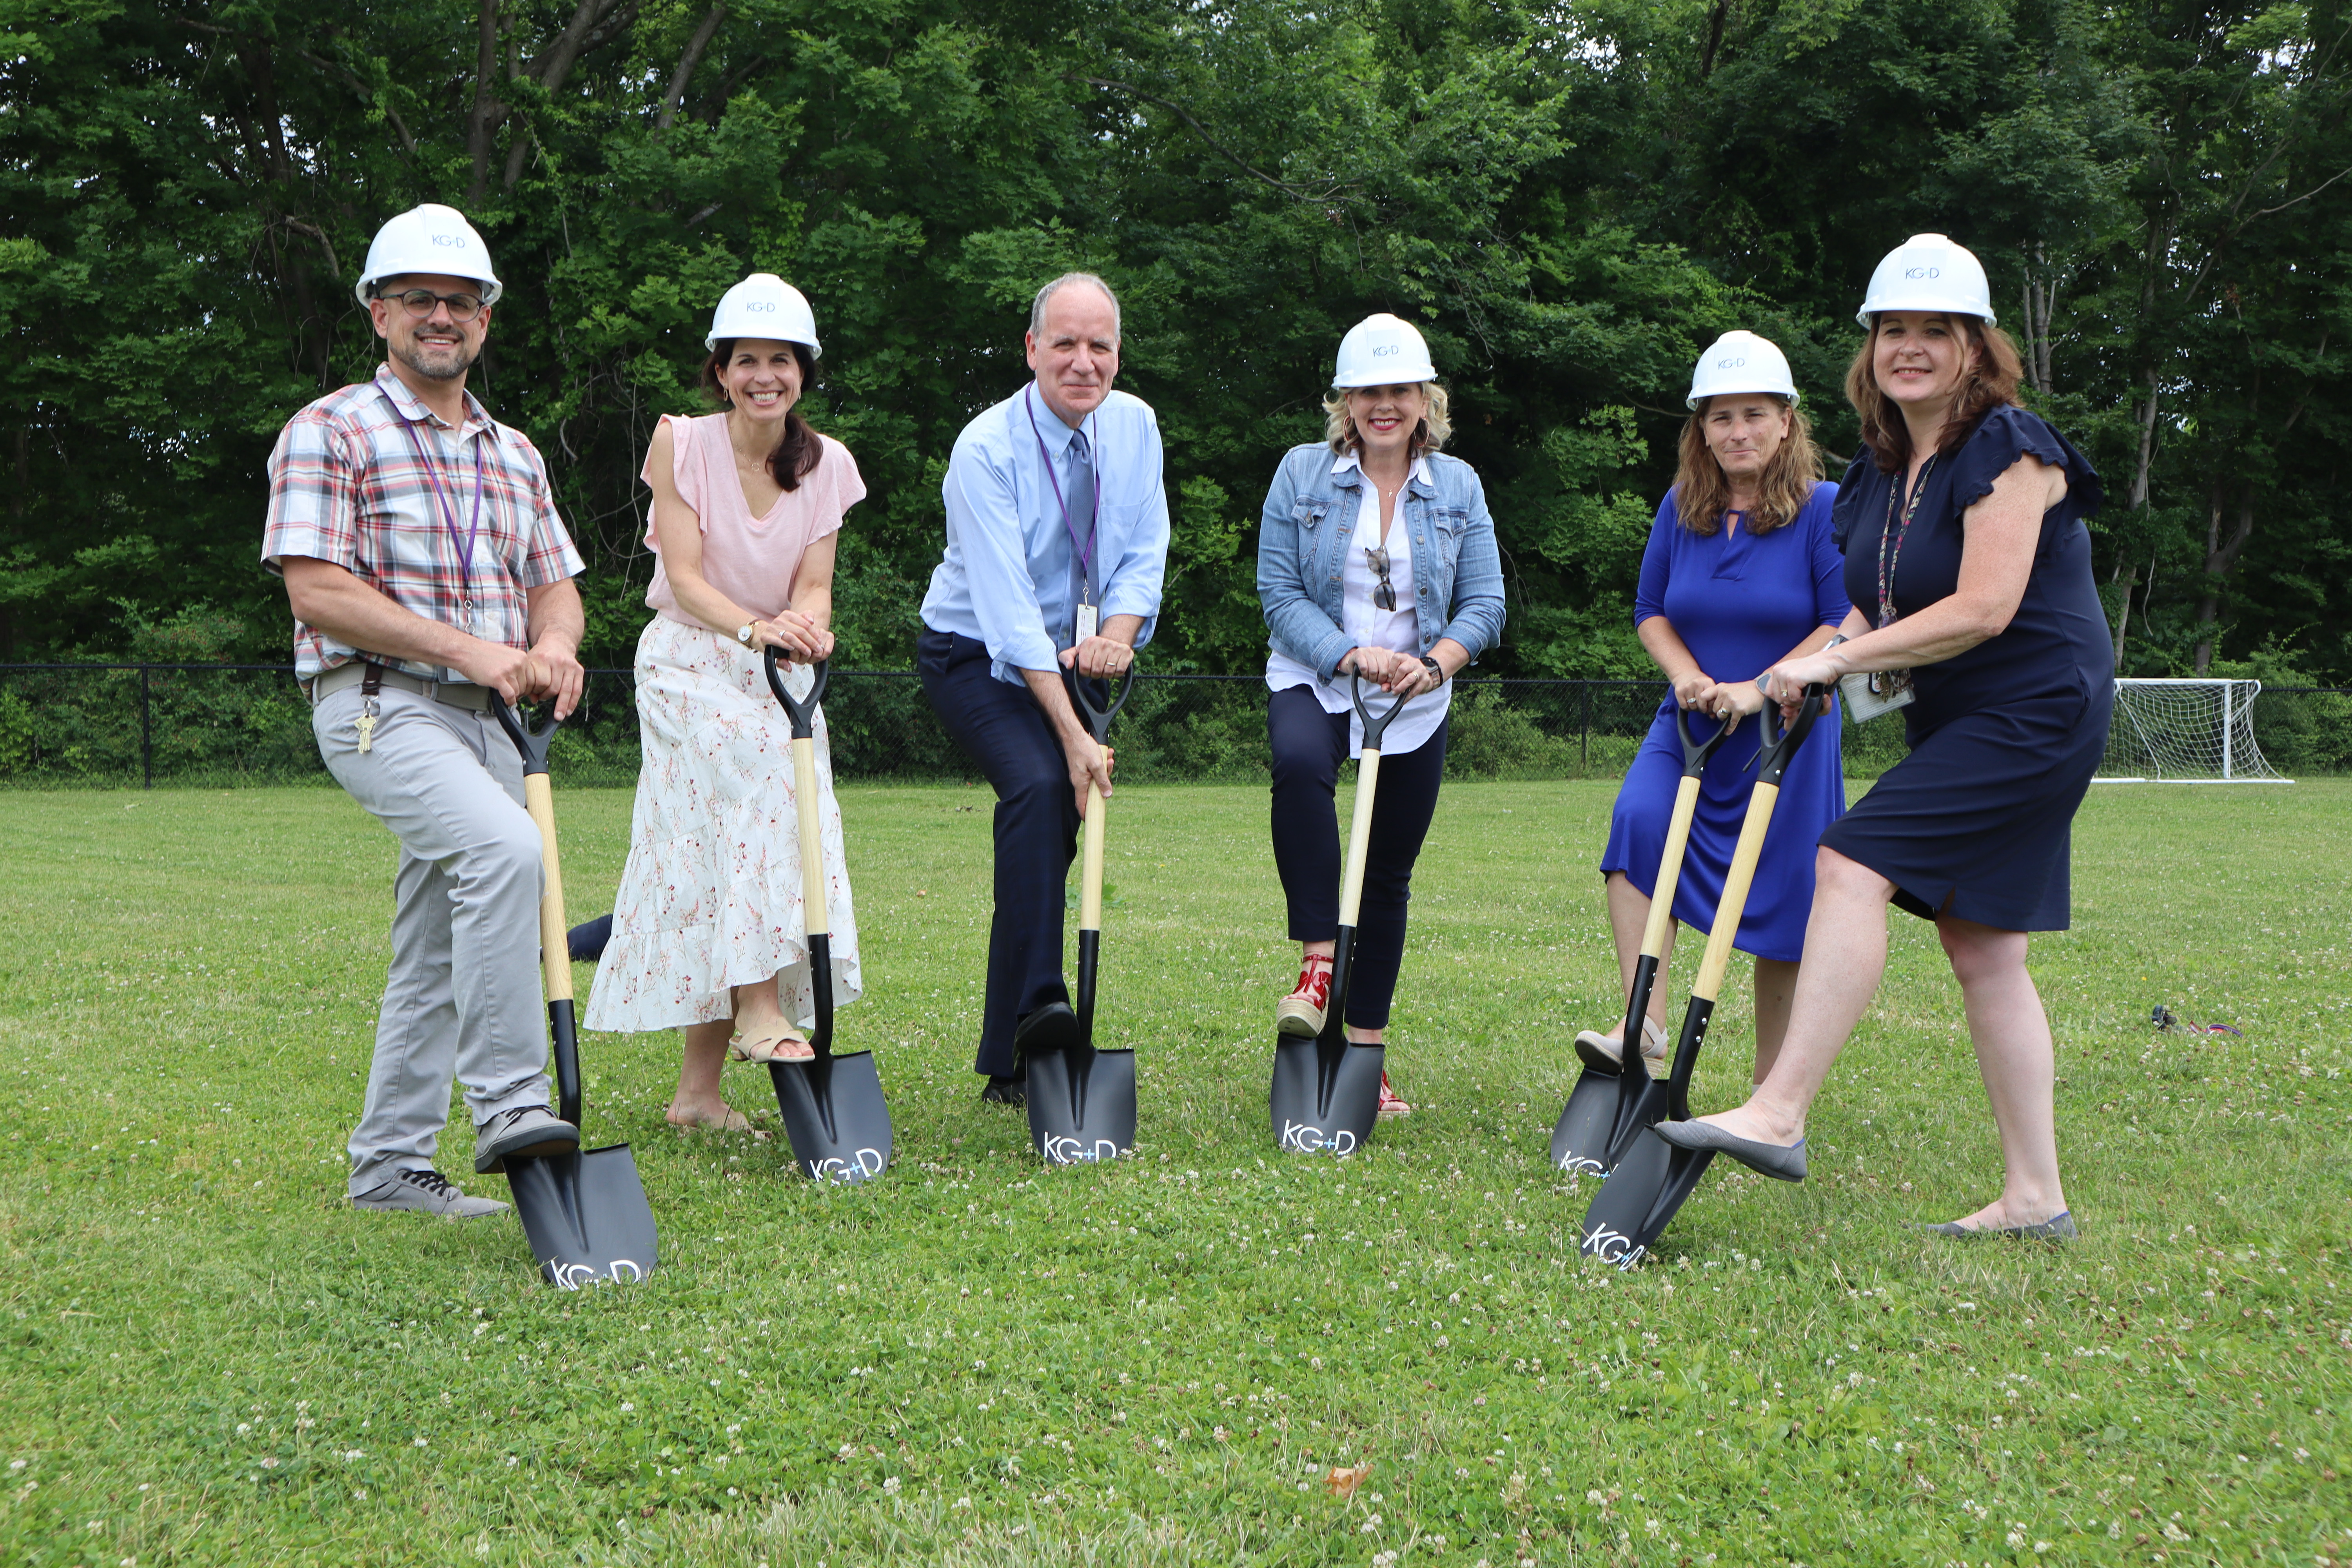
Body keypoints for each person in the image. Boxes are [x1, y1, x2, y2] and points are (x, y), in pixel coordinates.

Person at [1658, 235, 2112, 1241]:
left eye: (1934, 331)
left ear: (1974, 346)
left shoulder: (2011, 447)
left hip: (2035, 705)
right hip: (1959, 713)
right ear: (1871, 350)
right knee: (1986, 947)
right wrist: (1791, 673)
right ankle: (2036, 1197)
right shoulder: (1878, 474)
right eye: (1892, 330)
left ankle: (1779, 1108)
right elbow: (1868, 613)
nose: (1910, 347)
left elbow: (1986, 606)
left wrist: (1834, 664)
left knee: (1848, 860)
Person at [264, 203, 586, 1218]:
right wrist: (477, 652)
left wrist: (555, 648)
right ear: (377, 313)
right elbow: (318, 590)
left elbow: (556, 584)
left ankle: (390, 1169)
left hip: (490, 724)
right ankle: (510, 1105)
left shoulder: (513, 452)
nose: (439, 316)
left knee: (439, 942)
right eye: (417, 300)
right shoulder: (331, 431)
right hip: (378, 705)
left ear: (484, 319)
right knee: (506, 858)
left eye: (459, 300)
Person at [582, 275, 867, 1131]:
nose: (764, 376)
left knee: (729, 850)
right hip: (687, 662)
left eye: (780, 360)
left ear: (803, 373)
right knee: (762, 778)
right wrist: (760, 630)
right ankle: (757, 1005)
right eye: (747, 360)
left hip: (770, 670)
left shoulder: (829, 464)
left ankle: (695, 1097)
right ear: (721, 371)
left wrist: (806, 630)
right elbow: (690, 578)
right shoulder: (682, 443)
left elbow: (814, 587)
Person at [917, 272, 1171, 1105]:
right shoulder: (985, 448)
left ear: (1118, 354)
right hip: (974, 652)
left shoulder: (1134, 427)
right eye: (1064, 343)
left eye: (1100, 345)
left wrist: (1114, 647)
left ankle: (1016, 1050)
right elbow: (1009, 612)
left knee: (1050, 822)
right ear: (1032, 349)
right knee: (1037, 786)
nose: (1083, 362)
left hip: (1077, 653)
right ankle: (1038, 1009)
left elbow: (1143, 555)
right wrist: (1074, 736)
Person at [1259, 314, 1506, 1118]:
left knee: (1387, 875)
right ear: (1347, 402)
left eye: (1400, 389)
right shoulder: (1302, 474)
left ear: (1425, 398)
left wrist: (1433, 664)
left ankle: (1366, 1051)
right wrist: (1348, 653)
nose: (1385, 405)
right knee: (1298, 764)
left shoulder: (1461, 485)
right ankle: (1318, 961)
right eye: (1369, 391)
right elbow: (1278, 591)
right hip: (1318, 673)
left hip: (1414, 696)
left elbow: (1486, 603)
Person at [1582, 332, 1847, 1078]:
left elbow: (1843, 618)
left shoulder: (1824, 507)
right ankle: (1644, 1026)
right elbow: (1650, 610)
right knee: (1638, 825)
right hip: (1693, 723)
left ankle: (1772, 1086)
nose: (1738, 431)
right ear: (1700, 427)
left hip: (1786, 731)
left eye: (1754, 414)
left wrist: (1764, 684)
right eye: (1721, 416)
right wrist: (1687, 676)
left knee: (1785, 905)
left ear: (1787, 421)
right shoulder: (1682, 507)